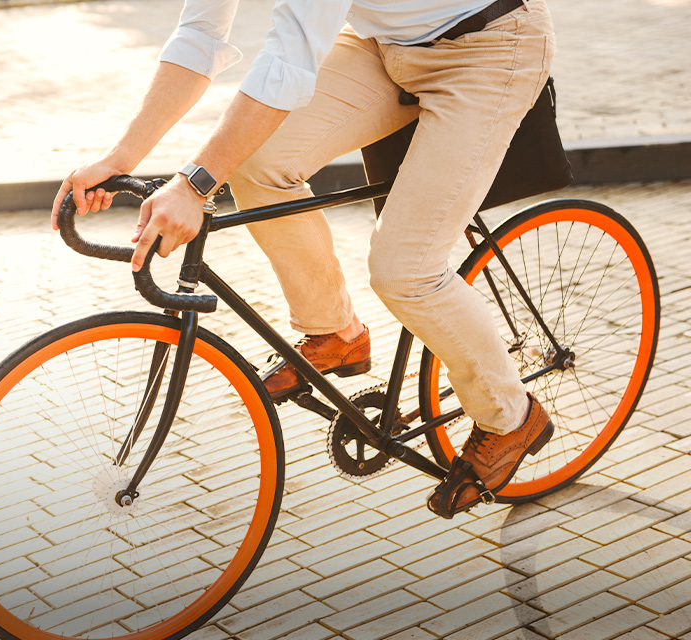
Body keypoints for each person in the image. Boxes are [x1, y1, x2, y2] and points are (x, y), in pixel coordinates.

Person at [51, 0, 556, 518]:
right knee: (255, 162)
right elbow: (198, 35)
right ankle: (335, 331)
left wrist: (196, 182)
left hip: (490, 44)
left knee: (405, 269)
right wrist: (119, 159)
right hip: (385, 47)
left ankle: (511, 415)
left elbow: (288, 59)